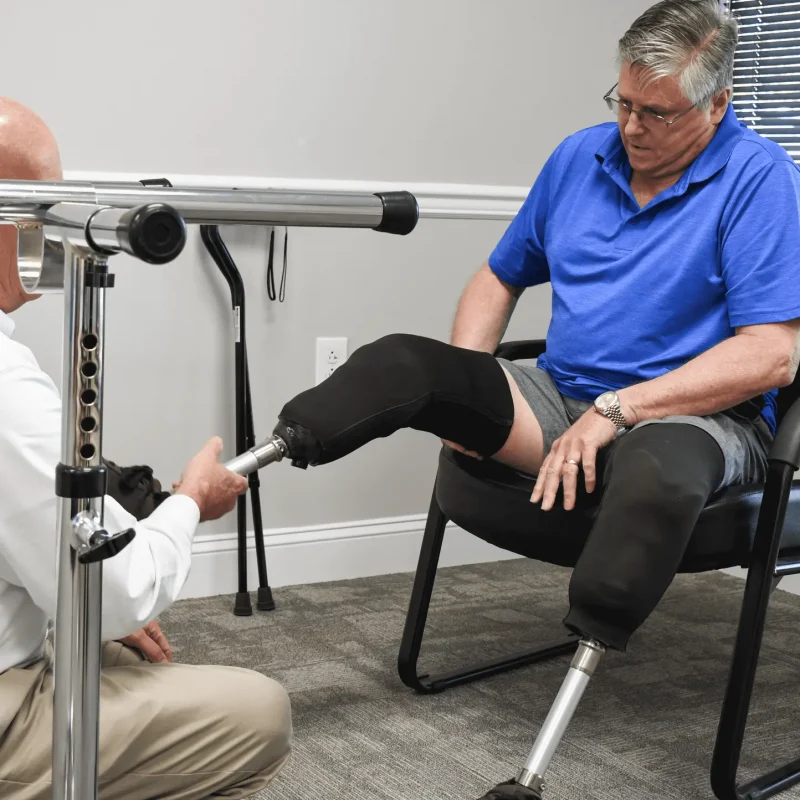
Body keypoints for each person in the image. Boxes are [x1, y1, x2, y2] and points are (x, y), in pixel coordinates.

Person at [264, 0, 800, 673]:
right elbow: (498, 276)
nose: (631, 126)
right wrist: (468, 382)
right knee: (410, 363)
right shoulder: (579, 157)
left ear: (717, 104)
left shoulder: (762, 180)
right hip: (558, 399)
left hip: (698, 422)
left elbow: (772, 354)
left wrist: (618, 411)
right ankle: (261, 458)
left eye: (656, 113)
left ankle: (586, 659)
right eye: (623, 102)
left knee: (656, 467)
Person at [0, 99, 292, 799]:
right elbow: (119, 589)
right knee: (260, 713)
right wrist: (190, 503)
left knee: (110, 647)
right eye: (44, 213)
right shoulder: (5, 390)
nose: (53, 238)